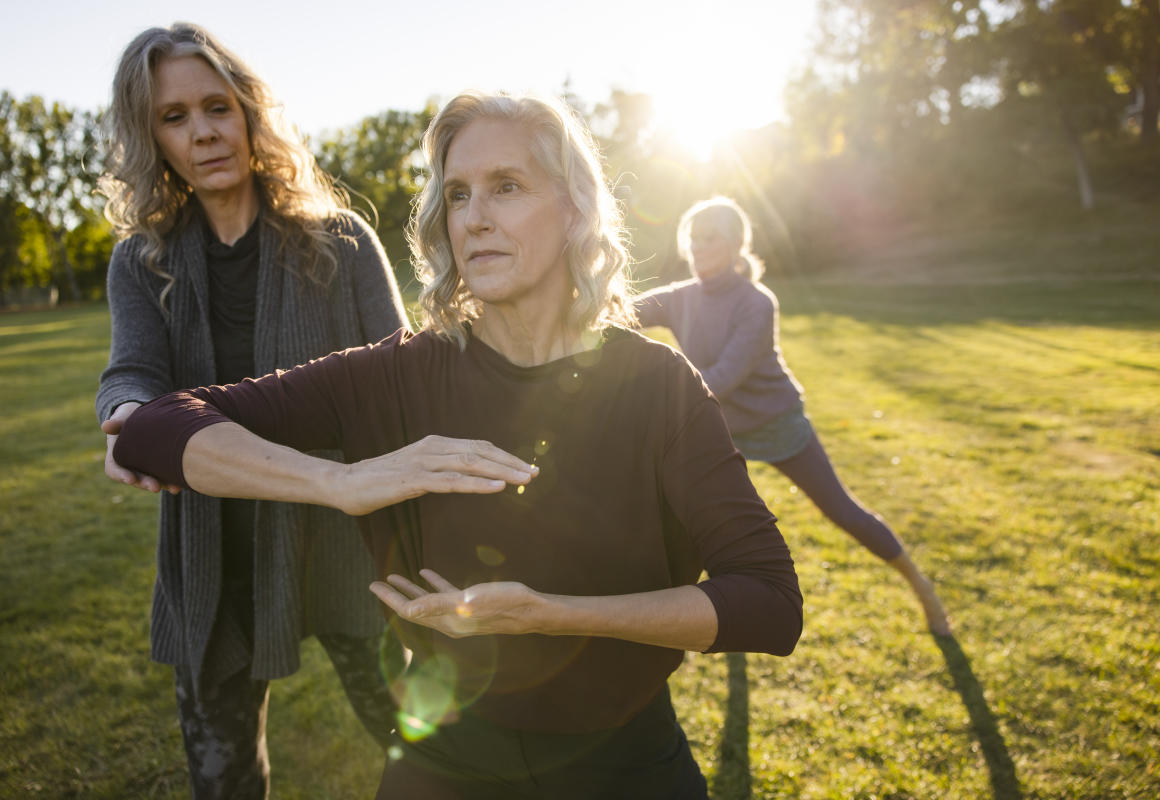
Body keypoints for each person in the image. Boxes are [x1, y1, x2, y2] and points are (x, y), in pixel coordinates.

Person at [111, 92, 804, 799]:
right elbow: (153, 430)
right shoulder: (397, 372)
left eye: (507, 187)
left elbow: (770, 602)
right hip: (446, 752)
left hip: (623, 752)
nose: (475, 217)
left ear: (573, 209)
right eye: (458, 195)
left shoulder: (659, 386)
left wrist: (550, 613)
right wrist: (339, 483)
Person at [95, 22, 416, 798]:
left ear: (248, 113)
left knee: (421, 739)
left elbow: (407, 381)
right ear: (153, 138)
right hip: (215, 545)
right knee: (222, 777)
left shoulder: (339, 241)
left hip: (346, 542)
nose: (202, 132)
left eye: (216, 105)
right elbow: (130, 371)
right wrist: (131, 420)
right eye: (174, 117)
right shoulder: (144, 259)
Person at [634, 196, 951, 636]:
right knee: (691, 521)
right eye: (693, 237)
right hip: (721, 428)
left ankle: (923, 590)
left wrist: (658, 395)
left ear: (734, 245)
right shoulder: (679, 296)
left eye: (711, 238)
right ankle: (698, 617)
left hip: (775, 422)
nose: (698, 246)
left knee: (843, 511)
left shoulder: (757, 302)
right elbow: (620, 312)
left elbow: (724, 376)